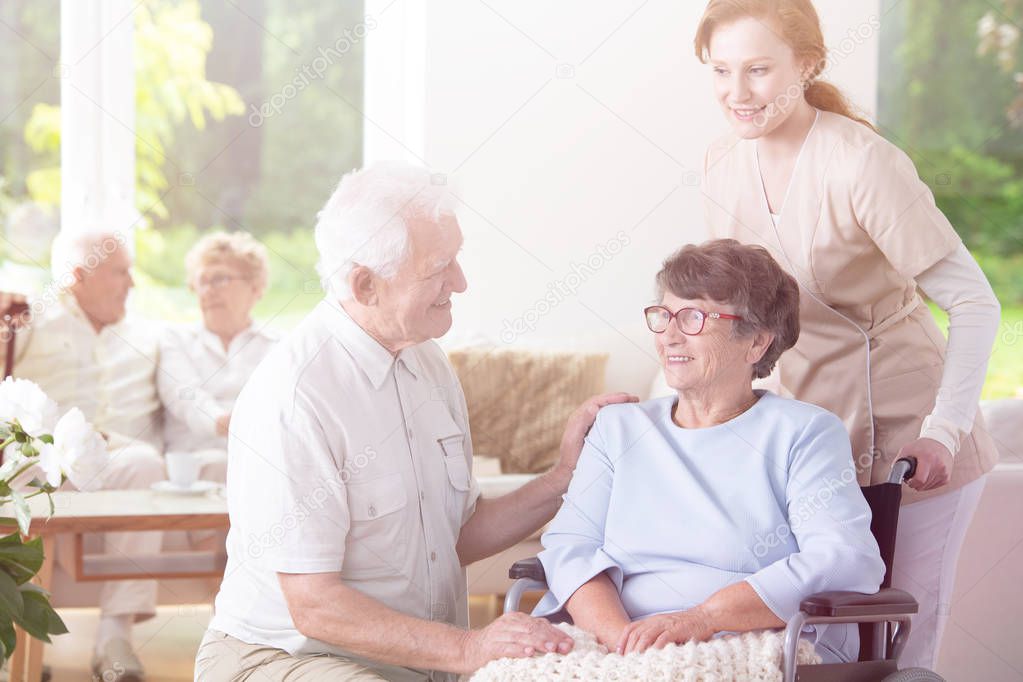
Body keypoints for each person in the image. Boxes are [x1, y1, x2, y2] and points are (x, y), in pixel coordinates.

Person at [194, 161, 637, 681]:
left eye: (457, 260)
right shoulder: (296, 397)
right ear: (366, 285)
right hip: (288, 656)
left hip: (415, 661)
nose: (462, 282)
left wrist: (562, 478)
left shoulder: (426, 362)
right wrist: (470, 648)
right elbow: (313, 606)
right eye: (438, 268)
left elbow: (453, 539)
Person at [695, 0, 1002, 669]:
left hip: (913, 439)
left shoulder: (861, 165)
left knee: (901, 639)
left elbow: (975, 304)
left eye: (756, 70)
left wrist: (942, 429)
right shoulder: (724, 165)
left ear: (805, 66)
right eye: (720, 70)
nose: (734, 92)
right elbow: (736, 315)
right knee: (815, 643)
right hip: (815, 441)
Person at [533, 239, 885, 664]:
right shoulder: (618, 427)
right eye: (663, 316)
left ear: (756, 342)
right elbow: (571, 547)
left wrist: (701, 618)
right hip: (614, 642)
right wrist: (623, 642)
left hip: (750, 640)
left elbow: (844, 559)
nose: (670, 336)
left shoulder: (804, 433)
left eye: (694, 318)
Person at [1, 230, 164, 681]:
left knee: (145, 461)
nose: (130, 283)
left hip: (98, 463)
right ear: (77, 277)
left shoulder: (128, 333)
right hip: (33, 462)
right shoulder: (32, 314)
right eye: (120, 271)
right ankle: (22, 642)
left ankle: (115, 638)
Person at [157, 231, 277, 482]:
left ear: (255, 287)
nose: (208, 291)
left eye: (220, 279)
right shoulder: (176, 340)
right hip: (194, 469)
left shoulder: (279, 346)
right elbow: (187, 398)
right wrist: (233, 424)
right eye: (202, 281)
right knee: (220, 464)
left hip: (262, 462)